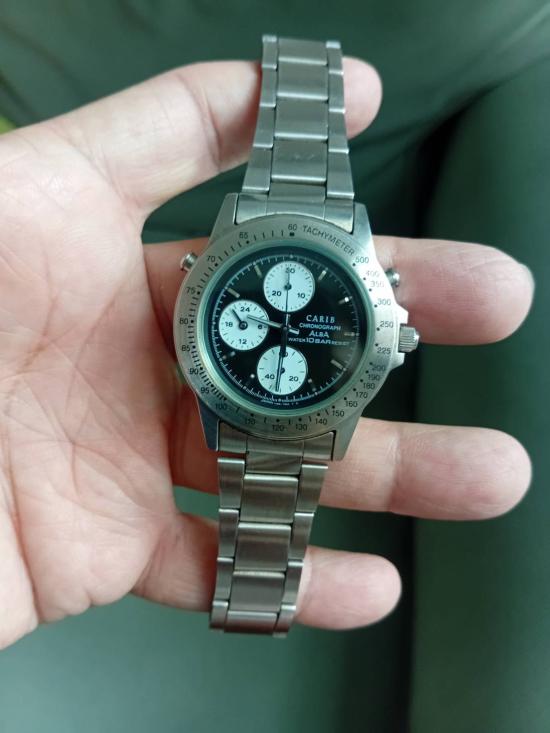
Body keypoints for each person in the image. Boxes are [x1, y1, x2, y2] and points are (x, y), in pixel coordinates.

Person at [0, 4, 547, 731]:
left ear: (391, 333)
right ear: (201, 281)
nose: (286, 323)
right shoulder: (224, 307)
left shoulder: (335, 314)